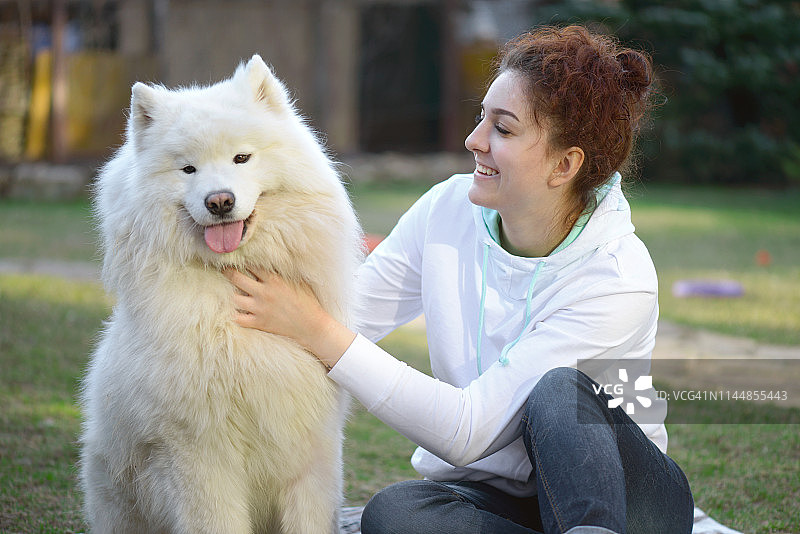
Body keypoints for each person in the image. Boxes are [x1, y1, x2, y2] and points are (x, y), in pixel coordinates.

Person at [225, 25, 694, 534]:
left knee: (558, 392)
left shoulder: (617, 278)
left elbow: (469, 430)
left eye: (504, 129)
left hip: (632, 506)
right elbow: (349, 307)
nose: (474, 140)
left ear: (565, 164)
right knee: (395, 515)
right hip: (501, 500)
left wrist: (317, 329)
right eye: (482, 117)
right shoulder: (447, 208)